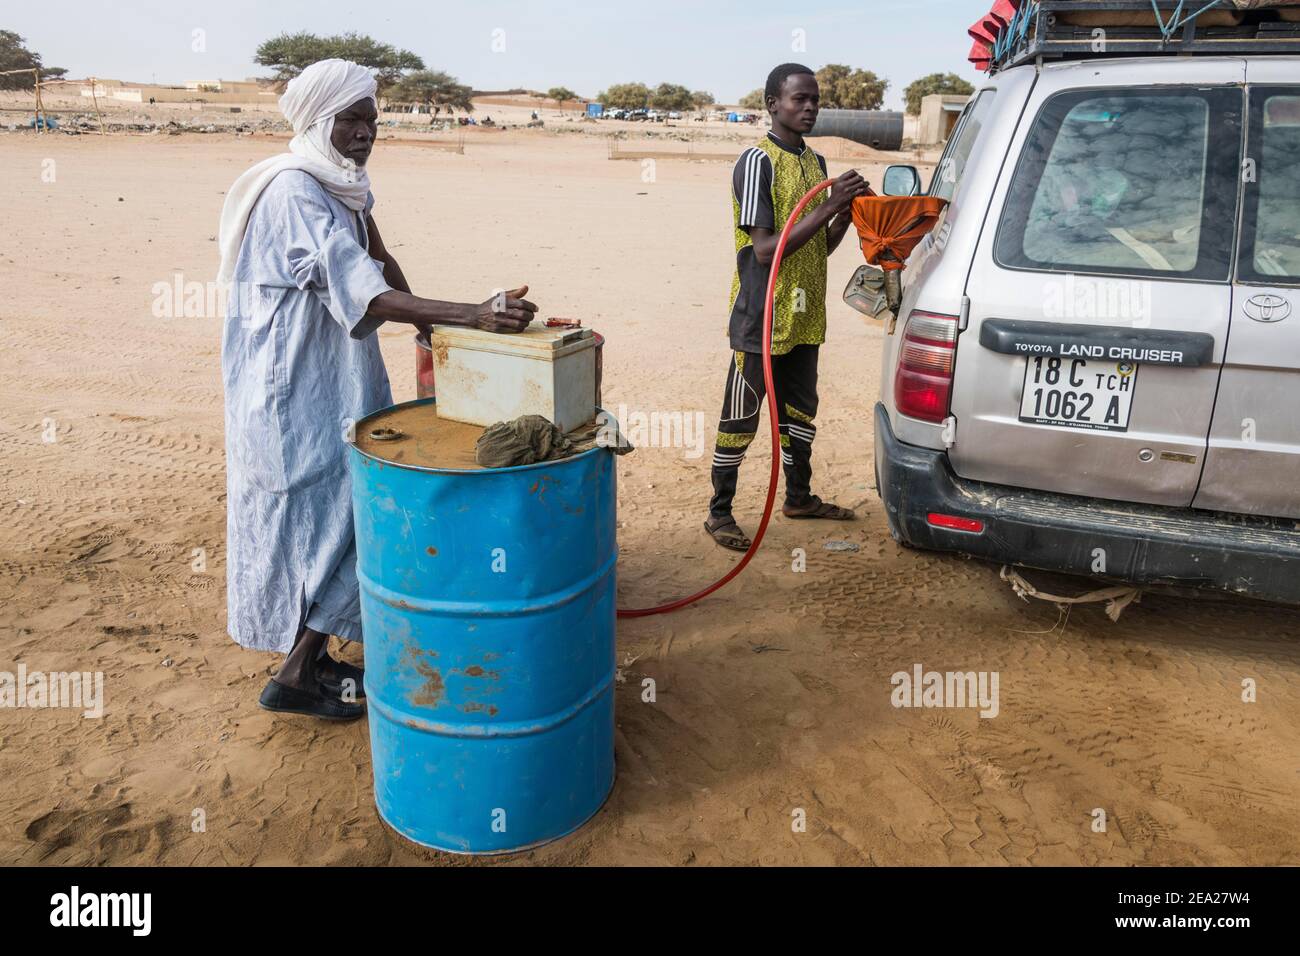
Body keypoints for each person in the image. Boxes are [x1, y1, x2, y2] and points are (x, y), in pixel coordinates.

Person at [218, 59, 537, 720]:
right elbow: (362, 288)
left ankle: (310, 658)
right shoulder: (292, 192)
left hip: (333, 377)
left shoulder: (344, 188)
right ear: (317, 120)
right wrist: (471, 315)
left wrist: (436, 331)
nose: (366, 132)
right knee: (338, 518)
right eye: (352, 119)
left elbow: (380, 261)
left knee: (348, 512)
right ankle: (297, 671)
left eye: (372, 118)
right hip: (290, 392)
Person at [704, 63, 869, 551]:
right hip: (762, 314)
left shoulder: (816, 165)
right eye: (799, 99)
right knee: (742, 415)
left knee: (800, 414)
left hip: (804, 315)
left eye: (814, 99)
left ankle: (799, 498)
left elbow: (817, 247)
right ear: (772, 104)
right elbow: (764, 250)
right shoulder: (756, 162)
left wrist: (845, 213)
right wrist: (827, 205)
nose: (810, 107)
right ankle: (719, 513)